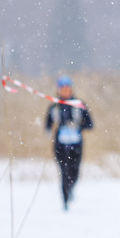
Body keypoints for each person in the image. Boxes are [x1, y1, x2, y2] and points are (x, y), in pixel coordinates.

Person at [44, 75, 93, 211]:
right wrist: (52, 130)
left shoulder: (79, 104)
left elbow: (90, 124)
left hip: (76, 144)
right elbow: (48, 124)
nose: (65, 91)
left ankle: (70, 189)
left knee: (75, 171)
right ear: (59, 90)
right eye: (63, 88)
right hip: (60, 144)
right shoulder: (54, 106)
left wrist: (77, 127)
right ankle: (65, 200)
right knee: (64, 171)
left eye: (67, 88)